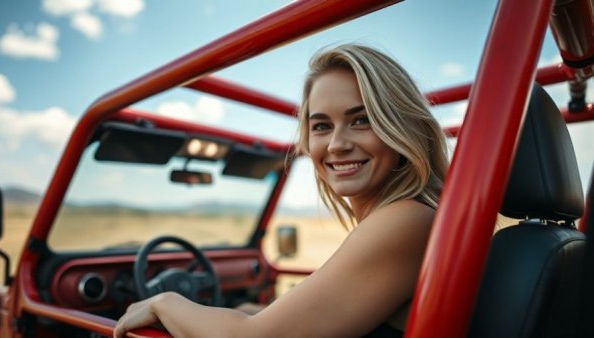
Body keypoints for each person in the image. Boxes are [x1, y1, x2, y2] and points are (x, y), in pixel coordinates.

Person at [113, 43, 449, 338]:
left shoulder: (406, 219)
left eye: (361, 120)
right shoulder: (408, 216)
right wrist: (250, 312)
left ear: (401, 126)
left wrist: (164, 302)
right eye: (321, 126)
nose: (336, 144)